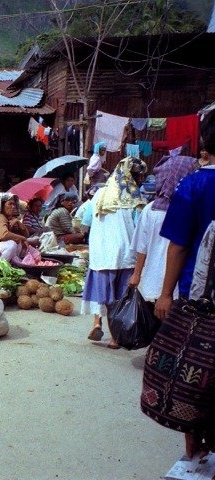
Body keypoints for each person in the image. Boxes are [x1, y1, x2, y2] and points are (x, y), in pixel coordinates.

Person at [152, 110, 215, 458]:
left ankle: (194, 452)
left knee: (192, 377)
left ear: (204, 143)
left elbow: (177, 246)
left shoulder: (192, 185)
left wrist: (164, 294)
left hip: (196, 298)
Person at [81, 157, 147, 349]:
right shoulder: (135, 197)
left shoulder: (100, 194)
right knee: (119, 298)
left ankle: (97, 322)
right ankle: (114, 338)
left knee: (103, 293)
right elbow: (140, 227)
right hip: (126, 253)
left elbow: (86, 223)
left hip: (103, 253)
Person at [128, 154, 195, 302]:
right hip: (176, 287)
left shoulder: (150, 209)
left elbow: (141, 246)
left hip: (150, 284)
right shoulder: (187, 210)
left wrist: (137, 274)